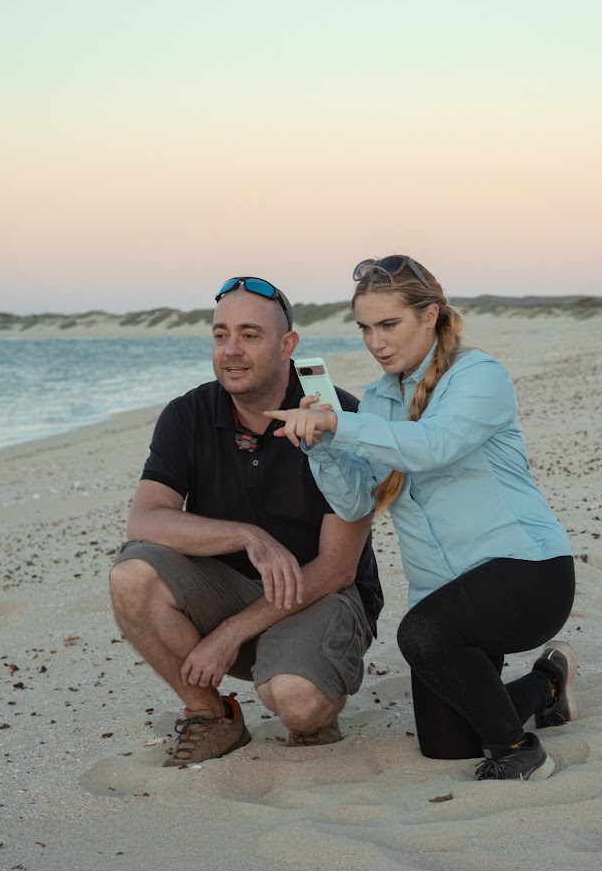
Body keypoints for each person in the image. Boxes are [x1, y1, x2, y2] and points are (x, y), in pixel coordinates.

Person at [267, 255, 576, 782]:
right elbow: (357, 503)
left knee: (420, 633)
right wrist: (319, 446)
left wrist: (338, 423)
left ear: (429, 315)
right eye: (365, 328)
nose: (376, 342)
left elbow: (433, 445)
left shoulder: (479, 375)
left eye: (390, 324)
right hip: (451, 601)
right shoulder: (379, 400)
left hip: (528, 573)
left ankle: (520, 750)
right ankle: (548, 683)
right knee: (446, 745)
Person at [109, 276, 382, 767]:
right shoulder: (187, 414)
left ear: (287, 346)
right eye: (220, 335)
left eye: (250, 335)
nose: (231, 350)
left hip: (321, 597)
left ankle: (313, 695)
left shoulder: (339, 416)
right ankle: (213, 717)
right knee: (133, 575)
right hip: (228, 586)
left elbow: (339, 568)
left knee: (297, 705)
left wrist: (229, 634)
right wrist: (246, 536)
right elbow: (145, 520)